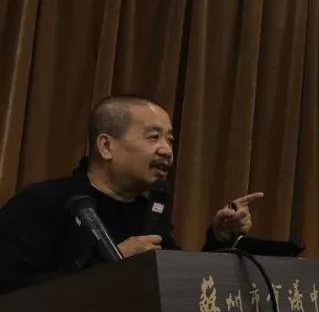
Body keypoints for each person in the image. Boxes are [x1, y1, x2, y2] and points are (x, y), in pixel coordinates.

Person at [0, 94, 263, 292]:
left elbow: (182, 291)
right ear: (106, 146)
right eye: (153, 137)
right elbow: (11, 289)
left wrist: (219, 237)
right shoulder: (42, 202)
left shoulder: (149, 213)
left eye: (170, 140)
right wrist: (112, 264)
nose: (167, 151)